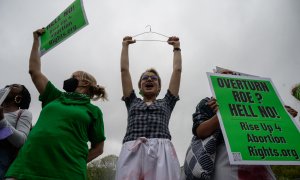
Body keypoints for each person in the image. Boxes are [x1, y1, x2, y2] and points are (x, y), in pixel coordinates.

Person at [5, 29, 107, 180]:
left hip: (67, 173)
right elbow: (34, 71)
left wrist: (74, 161)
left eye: (73, 77)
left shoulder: (93, 111)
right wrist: (36, 41)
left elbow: (98, 148)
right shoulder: (55, 97)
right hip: (26, 167)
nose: (69, 79)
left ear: (85, 82)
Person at [185, 69, 298, 180]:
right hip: (225, 157)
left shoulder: (257, 104)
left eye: (233, 76)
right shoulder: (208, 103)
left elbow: (270, 129)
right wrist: (224, 113)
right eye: (224, 76)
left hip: (256, 154)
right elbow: (201, 131)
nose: (230, 79)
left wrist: (283, 115)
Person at [115, 36, 182, 180]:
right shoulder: (132, 101)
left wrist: (176, 48)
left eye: (154, 78)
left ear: (159, 88)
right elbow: (124, 71)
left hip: (162, 153)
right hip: (132, 151)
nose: (149, 79)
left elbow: (177, 71)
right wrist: (125, 46)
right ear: (140, 86)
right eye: (145, 78)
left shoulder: (167, 102)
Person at [0, 84, 32, 179]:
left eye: (14, 86)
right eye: (8, 86)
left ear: (20, 97)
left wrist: (2, 121)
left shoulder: (23, 113)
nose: (9, 87)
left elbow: (21, 141)